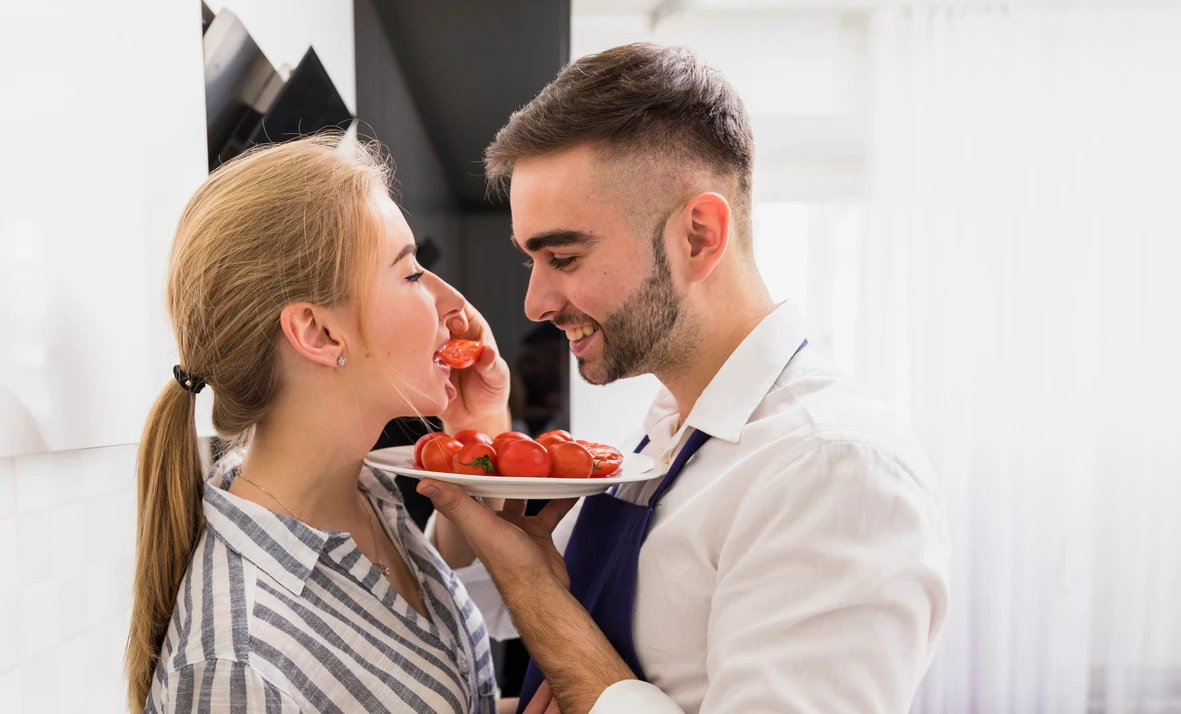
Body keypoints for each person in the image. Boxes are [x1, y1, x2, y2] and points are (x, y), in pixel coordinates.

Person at [418, 43, 951, 714]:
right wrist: (479, 442)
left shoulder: (832, 470)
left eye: (565, 257)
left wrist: (543, 603)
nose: (535, 304)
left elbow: (541, 604)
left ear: (698, 236)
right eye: (534, 261)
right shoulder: (669, 431)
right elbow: (499, 605)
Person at [126, 134, 515, 713]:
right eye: (411, 274)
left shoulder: (364, 490)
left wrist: (479, 429)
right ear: (318, 333)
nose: (453, 304)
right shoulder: (240, 668)